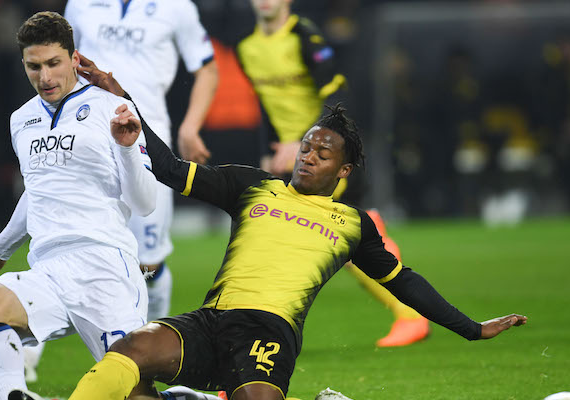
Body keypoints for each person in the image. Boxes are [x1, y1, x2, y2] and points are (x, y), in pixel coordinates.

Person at [65, 68, 528, 400]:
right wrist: (122, 97)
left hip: (269, 333)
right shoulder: (251, 185)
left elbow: (403, 281)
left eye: (322, 155)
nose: (308, 157)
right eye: (305, 147)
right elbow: (168, 168)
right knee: (129, 355)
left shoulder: (352, 224)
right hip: (211, 321)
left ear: (343, 170)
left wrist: (472, 329)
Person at [195, 0, 430, 347]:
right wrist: (271, 149)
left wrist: (303, 142)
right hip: (293, 159)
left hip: (324, 156)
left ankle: (410, 315)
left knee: (331, 240)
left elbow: (338, 96)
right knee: (320, 238)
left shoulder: (304, 37)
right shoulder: (246, 47)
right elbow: (265, 103)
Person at [0, 11, 158, 400]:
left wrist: (127, 148)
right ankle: (13, 395)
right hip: (49, 270)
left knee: (136, 394)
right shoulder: (21, 120)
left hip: (105, 269)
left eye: (53, 63)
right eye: (34, 66)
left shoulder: (113, 108)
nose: (44, 77)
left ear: (74, 58)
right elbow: (37, 190)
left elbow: (145, 202)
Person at [20, 0, 220, 380]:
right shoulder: (80, 4)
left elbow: (207, 68)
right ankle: (28, 351)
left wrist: (191, 126)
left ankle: (149, 349)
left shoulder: (177, 7)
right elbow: (60, 57)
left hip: (144, 139)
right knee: (62, 244)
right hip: (85, 138)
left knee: (148, 264)